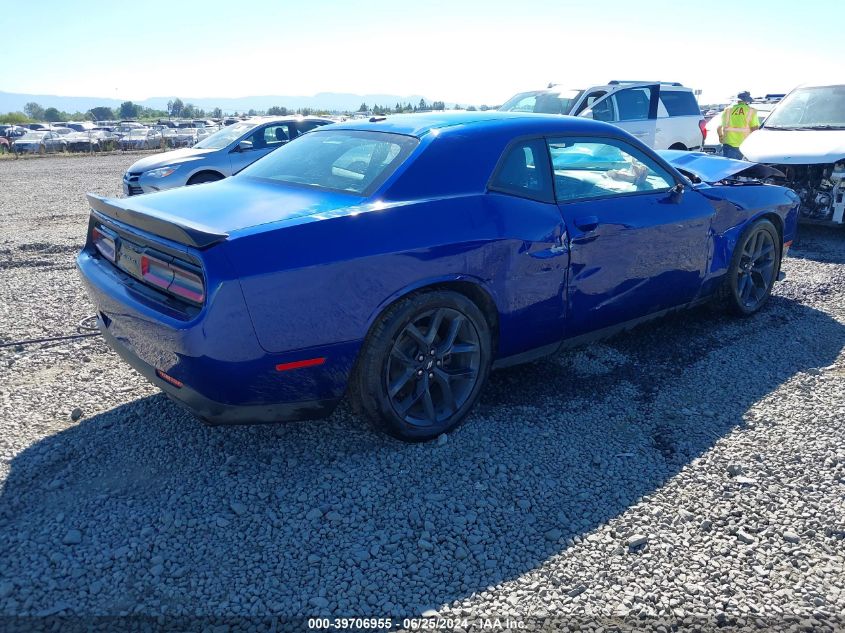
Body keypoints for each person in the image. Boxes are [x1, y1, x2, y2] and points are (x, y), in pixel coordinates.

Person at [718, 91, 760, 160]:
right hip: (744, 146)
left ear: (737, 101)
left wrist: (720, 137)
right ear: (747, 101)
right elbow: (755, 129)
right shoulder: (751, 111)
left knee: (728, 169)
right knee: (743, 169)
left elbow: (719, 127)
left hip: (728, 145)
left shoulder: (727, 110)